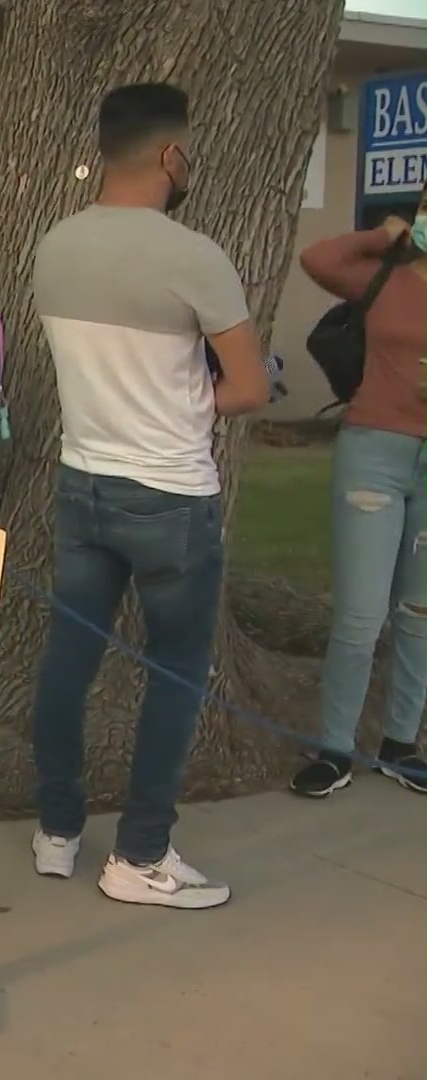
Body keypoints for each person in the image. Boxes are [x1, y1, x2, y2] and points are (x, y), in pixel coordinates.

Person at [27, 83, 273, 910]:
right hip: (169, 497)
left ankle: (57, 829)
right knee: (174, 673)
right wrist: (193, 393)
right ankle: (139, 856)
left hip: (84, 485)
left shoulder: (55, 245)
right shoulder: (192, 255)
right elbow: (247, 389)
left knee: (69, 660)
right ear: (172, 155)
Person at [289, 191, 427, 798]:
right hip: (374, 450)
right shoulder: (385, 272)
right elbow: (318, 258)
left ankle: (402, 744)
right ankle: (335, 749)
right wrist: (382, 236)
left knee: (420, 613)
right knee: (361, 614)